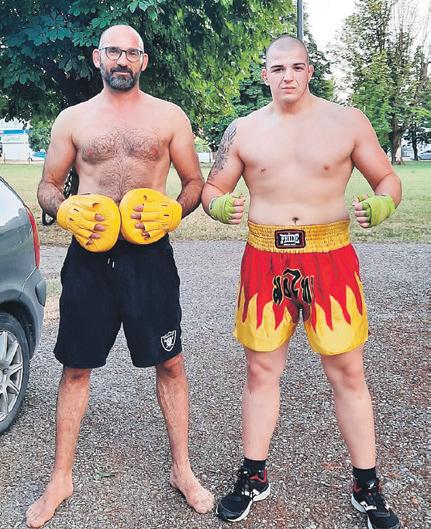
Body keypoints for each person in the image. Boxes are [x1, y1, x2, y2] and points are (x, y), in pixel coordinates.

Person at [202, 34, 401, 529]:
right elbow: (212, 187)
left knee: (348, 373)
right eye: (278, 68)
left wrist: (383, 204)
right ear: (264, 74)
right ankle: (253, 475)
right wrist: (219, 205)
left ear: (310, 71)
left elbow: (388, 179)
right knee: (260, 372)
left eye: (296, 67)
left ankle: (367, 484)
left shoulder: (347, 122)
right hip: (264, 257)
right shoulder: (244, 129)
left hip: (330, 257)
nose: (287, 76)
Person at [26, 24, 214, 529]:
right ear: (97, 57)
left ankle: (182, 469)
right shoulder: (73, 119)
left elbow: (194, 182)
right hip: (90, 256)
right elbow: (47, 185)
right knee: (76, 368)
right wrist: (63, 210)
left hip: (149, 257)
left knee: (170, 362)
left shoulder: (169, 117)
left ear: (143, 61)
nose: (122, 60)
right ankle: (60, 478)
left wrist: (175, 211)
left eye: (132, 52)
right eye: (113, 51)